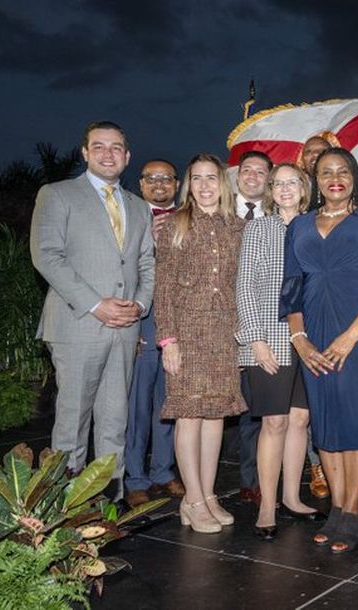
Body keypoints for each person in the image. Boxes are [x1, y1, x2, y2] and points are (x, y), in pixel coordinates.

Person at [281, 147, 358, 553]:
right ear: (316, 181)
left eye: (343, 171)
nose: (335, 178)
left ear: (355, 178)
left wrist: (350, 337)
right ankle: (335, 507)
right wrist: (300, 341)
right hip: (313, 335)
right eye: (326, 172)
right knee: (327, 422)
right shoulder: (298, 225)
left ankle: (350, 512)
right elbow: (292, 286)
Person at [30, 121, 155, 498]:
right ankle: (63, 510)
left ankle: (107, 504)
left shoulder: (137, 206)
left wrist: (139, 304)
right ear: (85, 153)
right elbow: (46, 256)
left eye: (116, 147)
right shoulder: (57, 194)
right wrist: (96, 304)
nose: (107, 153)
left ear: (127, 156)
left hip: (124, 329)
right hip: (77, 324)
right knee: (72, 422)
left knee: (115, 422)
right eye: (98, 146)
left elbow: (147, 263)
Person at [156, 154, 247, 534]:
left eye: (212, 178)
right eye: (197, 179)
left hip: (224, 335)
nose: (206, 185)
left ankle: (208, 494)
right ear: (188, 185)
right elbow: (163, 287)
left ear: (223, 184)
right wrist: (168, 340)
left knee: (215, 418)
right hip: (187, 334)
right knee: (189, 416)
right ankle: (191, 498)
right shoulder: (174, 224)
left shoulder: (237, 227)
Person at [236, 163, 326, 541]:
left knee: (300, 421)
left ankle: (292, 497)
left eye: (293, 182)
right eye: (279, 184)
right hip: (270, 340)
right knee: (273, 422)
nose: (286, 189)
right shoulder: (259, 228)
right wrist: (255, 339)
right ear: (270, 191)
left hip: (309, 340)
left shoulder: (317, 226)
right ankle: (267, 505)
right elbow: (245, 285)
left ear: (304, 189)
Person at [124, 159, 185, 507]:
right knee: (137, 406)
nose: (160, 184)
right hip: (144, 323)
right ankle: (135, 477)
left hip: (177, 323)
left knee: (169, 403)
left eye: (167, 178)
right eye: (152, 179)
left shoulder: (188, 217)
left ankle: (163, 471)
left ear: (176, 183)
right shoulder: (131, 217)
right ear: (142, 184)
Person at [231, 151, 272, 506]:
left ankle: (256, 480)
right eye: (248, 170)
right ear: (237, 175)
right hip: (214, 326)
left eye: (261, 171)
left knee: (257, 411)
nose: (253, 176)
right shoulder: (218, 211)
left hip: (259, 325)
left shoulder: (277, 218)